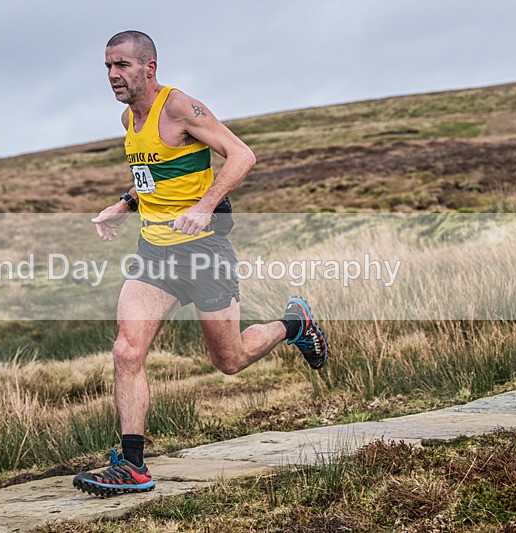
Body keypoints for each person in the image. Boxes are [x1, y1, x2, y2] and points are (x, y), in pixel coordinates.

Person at [72, 30, 328, 497]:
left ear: (149, 67)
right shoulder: (129, 119)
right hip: (155, 255)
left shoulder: (179, 107)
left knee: (229, 360)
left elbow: (242, 155)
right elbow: (154, 176)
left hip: (204, 251)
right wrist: (123, 205)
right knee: (127, 350)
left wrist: (206, 204)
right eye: (107, 66)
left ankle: (294, 324)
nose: (113, 75)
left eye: (122, 65)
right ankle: (132, 465)